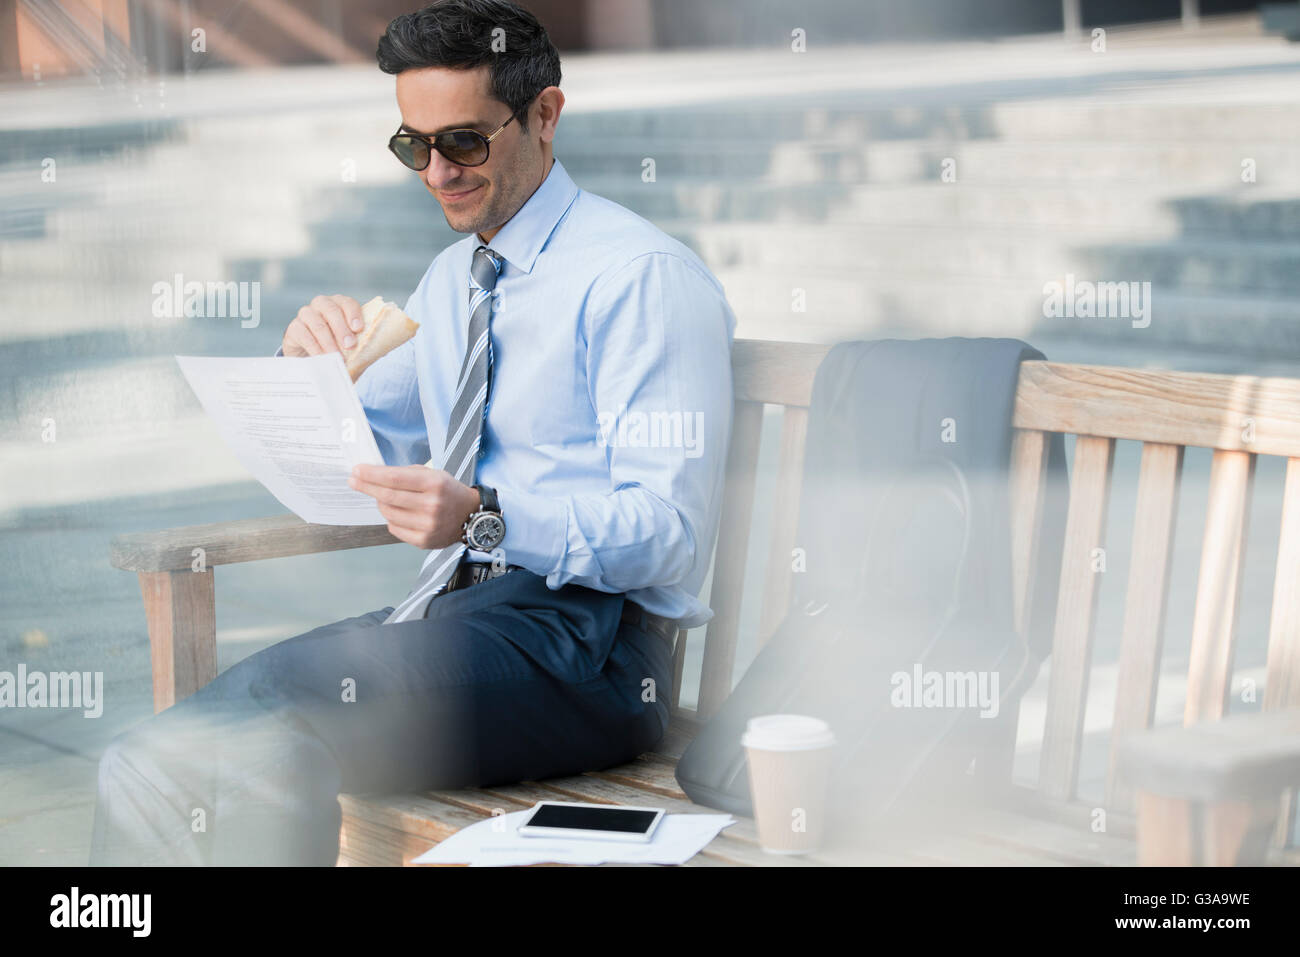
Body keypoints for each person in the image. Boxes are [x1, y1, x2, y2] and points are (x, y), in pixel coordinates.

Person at [90, 0, 735, 865]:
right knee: (163, 750)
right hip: (461, 622)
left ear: (545, 115)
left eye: (464, 141)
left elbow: (670, 536)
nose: (437, 172)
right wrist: (301, 354)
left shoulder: (640, 278)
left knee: (266, 710)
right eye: (412, 145)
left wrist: (481, 518)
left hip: (591, 649)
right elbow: (349, 443)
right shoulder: (452, 280)